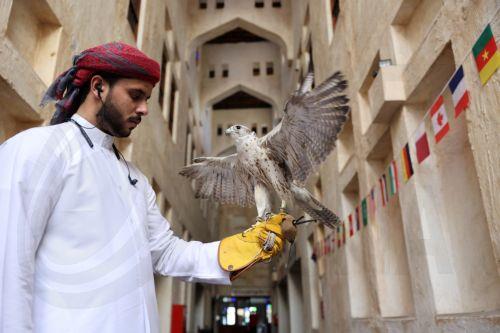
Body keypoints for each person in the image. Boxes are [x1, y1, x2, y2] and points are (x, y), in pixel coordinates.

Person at [0, 42, 290, 332]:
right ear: (98, 87)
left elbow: (167, 253)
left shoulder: (135, 179)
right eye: (135, 95)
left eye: (147, 98)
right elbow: (8, 267)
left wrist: (251, 244)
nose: (144, 109)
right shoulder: (37, 150)